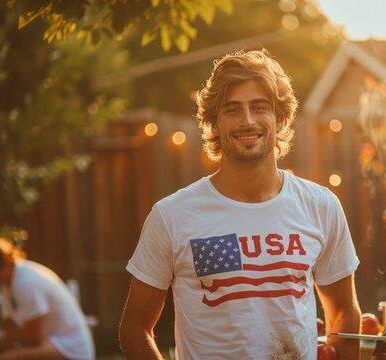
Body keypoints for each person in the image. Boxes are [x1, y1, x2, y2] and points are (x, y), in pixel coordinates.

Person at [119, 49, 361, 359]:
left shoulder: (320, 205)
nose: (247, 121)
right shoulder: (173, 216)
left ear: (281, 117)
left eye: (259, 107)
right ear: (214, 123)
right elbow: (135, 328)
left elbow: (344, 313)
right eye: (232, 110)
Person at [0, 235, 95, 360]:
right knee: (2, 356)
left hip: (72, 350)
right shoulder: (7, 284)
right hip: (52, 344)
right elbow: (10, 335)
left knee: (4, 359)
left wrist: (16, 333)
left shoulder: (25, 282)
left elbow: (34, 339)